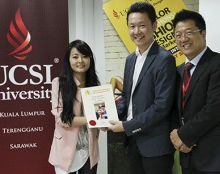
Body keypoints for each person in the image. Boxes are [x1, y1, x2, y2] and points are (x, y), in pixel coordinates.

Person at [108, 2, 176, 174]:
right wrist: (108, 116)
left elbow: (161, 107)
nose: (136, 31)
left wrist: (126, 125)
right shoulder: (130, 59)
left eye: (142, 25)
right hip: (133, 142)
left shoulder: (164, 59)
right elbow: (126, 97)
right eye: (132, 26)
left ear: (154, 25)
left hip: (156, 145)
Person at [170, 9, 220, 174]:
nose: (183, 39)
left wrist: (183, 136)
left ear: (203, 34)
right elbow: (175, 110)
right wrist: (176, 135)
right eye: (178, 35)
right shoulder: (178, 71)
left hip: (212, 156)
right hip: (187, 156)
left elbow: (214, 108)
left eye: (189, 32)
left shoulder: (216, 63)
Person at [48, 40, 100, 174]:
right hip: (65, 149)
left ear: (90, 59)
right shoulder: (58, 84)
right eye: (75, 56)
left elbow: (100, 117)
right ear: (68, 60)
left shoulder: (94, 85)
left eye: (85, 56)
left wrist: (104, 122)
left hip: (89, 149)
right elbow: (62, 119)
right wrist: (92, 119)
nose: (80, 60)